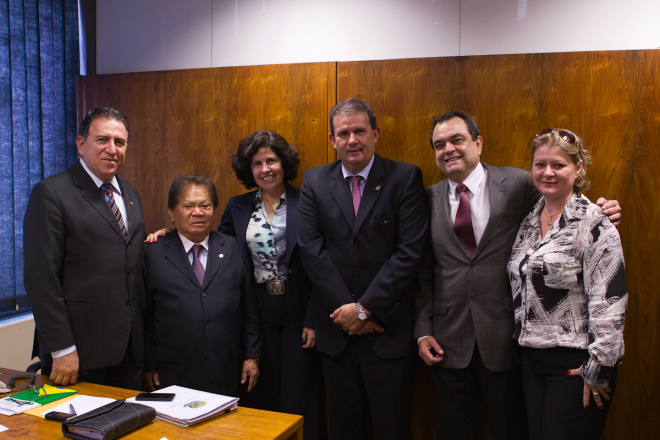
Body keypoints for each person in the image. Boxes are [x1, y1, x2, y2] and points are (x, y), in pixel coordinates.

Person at [414, 111, 621, 440]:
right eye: (439, 144)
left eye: (457, 140)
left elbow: (564, 204)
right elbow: (423, 270)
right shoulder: (425, 198)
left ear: (478, 143)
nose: (448, 149)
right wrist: (422, 330)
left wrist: (602, 209)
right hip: (448, 341)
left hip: (507, 343)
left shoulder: (517, 184)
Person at [298, 98, 429, 440]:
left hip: (387, 329)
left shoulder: (404, 177)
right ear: (332, 139)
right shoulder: (315, 181)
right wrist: (348, 312)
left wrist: (365, 309)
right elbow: (312, 252)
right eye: (343, 133)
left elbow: (410, 252)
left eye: (360, 131)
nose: (352, 140)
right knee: (342, 429)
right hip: (336, 331)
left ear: (376, 133)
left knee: (392, 427)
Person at [508, 128, 627, 440]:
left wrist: (599, 369)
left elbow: (610, 301)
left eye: (558, 165)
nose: (548, 172)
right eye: (540, 164)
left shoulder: (594, 222)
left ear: (579, 168)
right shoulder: (529, 222)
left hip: (576, 367)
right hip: (531, 362)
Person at [23, 107, 146, 390]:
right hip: (78, 354)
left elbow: (125, 257)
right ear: (81, 144)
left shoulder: (129, 194)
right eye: (102, 139)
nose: (112, 149)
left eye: (120, 142)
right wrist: (62, 348)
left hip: (128, 351)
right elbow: (41, 279)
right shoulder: (52, 193)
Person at [218, 131, 321, 439]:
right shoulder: (237, 207)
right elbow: (215, 246)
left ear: (284, 163)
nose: (265, 169)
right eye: (257, 163)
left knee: (298, 394)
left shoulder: (307, 202)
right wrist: (168, 234)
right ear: (249, 170)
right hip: (256, 311)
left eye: (272, 161)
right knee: (261, 391)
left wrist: (314, 318)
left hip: (298, 311)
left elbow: (323, 265)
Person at [142, 174, 260, 396]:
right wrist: (149, 364)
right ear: (171, 212)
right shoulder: (153, 252)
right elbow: (144, 316)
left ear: (214, 210)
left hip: (227, 369)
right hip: (173, 372)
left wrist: (251, 356)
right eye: (188, 206)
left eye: (205, 205)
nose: (198, 212)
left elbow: (249, 308)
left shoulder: (233, 247)